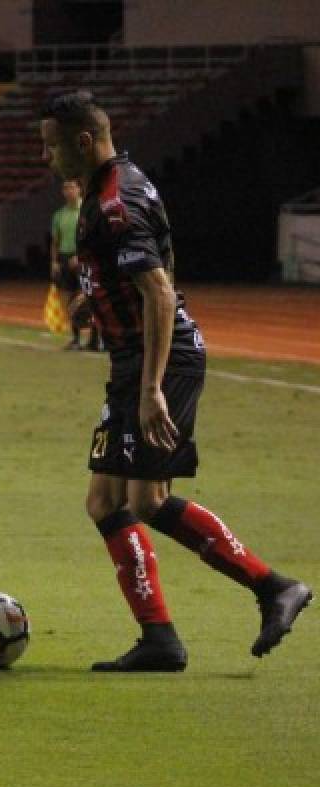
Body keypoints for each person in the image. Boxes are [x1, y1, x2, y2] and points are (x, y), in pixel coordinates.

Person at [38, 90, 311, 672]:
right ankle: (159, 636)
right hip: (131, 361)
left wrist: (152, 387)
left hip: (159, 362)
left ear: (83, 142)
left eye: (52, 146)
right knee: (105, 500)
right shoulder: (116, 186)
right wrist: (96, 302)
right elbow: (146, 267)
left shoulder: (118, 199)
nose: (47, 158)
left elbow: (160, 292)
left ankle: (274, 588)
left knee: (147, 499)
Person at [50, 179, 98, 350]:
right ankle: (76, 339)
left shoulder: (86, 212)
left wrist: (81, 256)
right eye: (65, 187)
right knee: (70, 299)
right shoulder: (59, 215)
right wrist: (54, 261)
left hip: (84, 258)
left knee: (91, 297)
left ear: (79, 189)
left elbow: (92, 238)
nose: (69, 190)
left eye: (72, 186)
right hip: (65, 257)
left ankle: (95, 340)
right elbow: (55, 241)